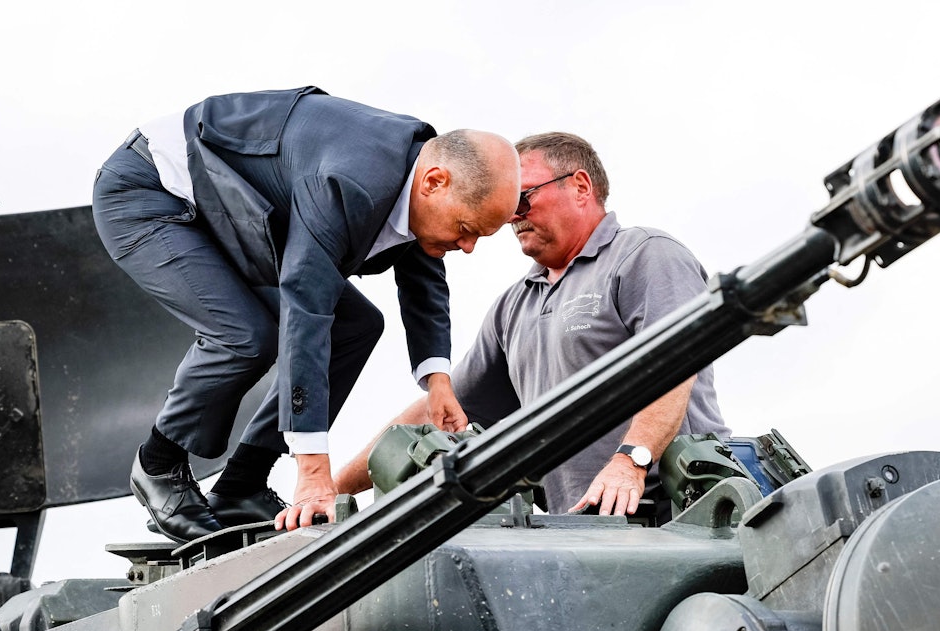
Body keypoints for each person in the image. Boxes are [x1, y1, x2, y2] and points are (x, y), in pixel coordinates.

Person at [92, 86, 520, 543]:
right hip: (152, 191)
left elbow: (424, 278)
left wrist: (437, 383)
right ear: (434, 182)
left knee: (357, 325)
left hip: (232, 205)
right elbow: (307, 309)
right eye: (466, 229)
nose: (468, 247)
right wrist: (314, 472)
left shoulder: (419, 171)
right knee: (245, 337)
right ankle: (158, 464)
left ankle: (242, 486)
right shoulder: (349, 184)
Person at [277, 131, 729, 531]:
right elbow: (439, 412)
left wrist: (632, 460)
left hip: (681, 517)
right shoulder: (514, 307)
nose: (513, 216)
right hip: (581, 531)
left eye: (524, 198)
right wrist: (331, 490)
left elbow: (675, 362)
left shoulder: (644, 255)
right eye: (510, 206)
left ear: (580, 186)